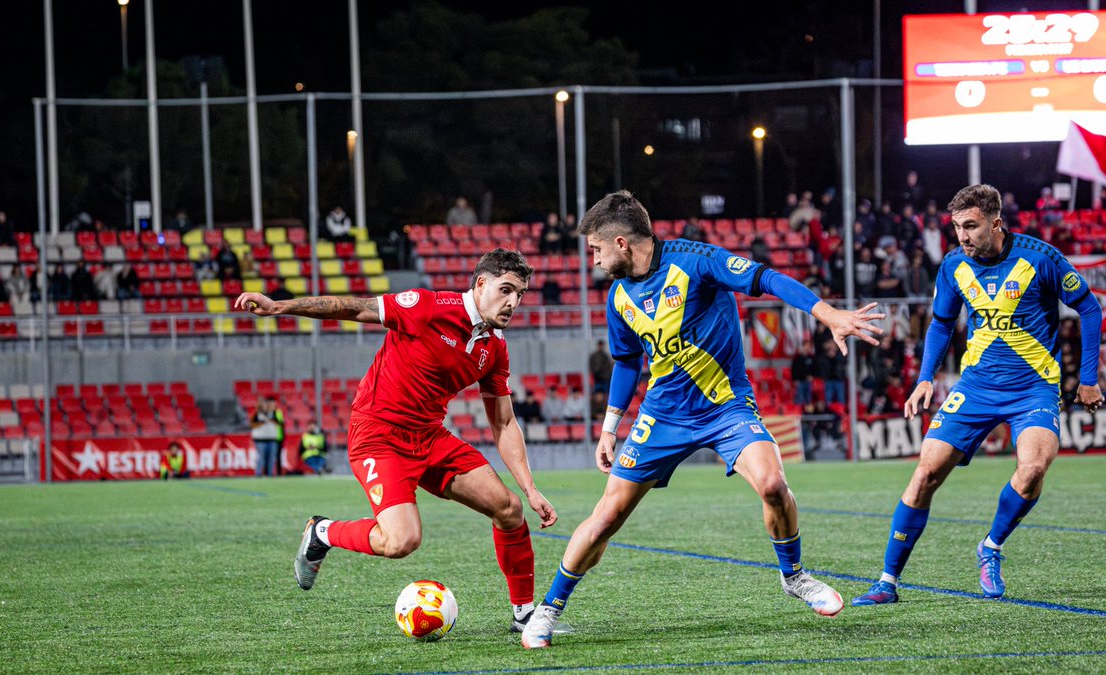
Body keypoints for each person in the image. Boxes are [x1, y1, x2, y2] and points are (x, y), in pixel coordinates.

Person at [521, 190, 885, 648]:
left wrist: (827, 313)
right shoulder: (618, 298)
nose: (591, 259)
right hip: (662, 416)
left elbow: (765, 278)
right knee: (607, 515)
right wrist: (610, 427)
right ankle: (548, 610)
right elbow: (628, 363)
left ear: (620, 243)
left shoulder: (696, 261)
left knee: (773, 484)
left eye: (595, 248)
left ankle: (794, 576)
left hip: (725, 406)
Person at [234, 248, 560, 634]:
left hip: (429, 436)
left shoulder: (494, 348)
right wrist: (279, 308)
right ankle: (322, 532)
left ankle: (524, 615)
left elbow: (504, 423)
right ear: (481, 284)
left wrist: (530, 487)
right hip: (378, 435)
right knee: (401, 541)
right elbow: (353, 308)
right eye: (506, 290)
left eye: (520, 294)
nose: (513, 302)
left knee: (509, 508)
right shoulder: (428, 306)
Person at [851, 184, 1103, 607]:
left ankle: (991, 546)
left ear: (996, 223)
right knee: (925, 473)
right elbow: (940, 324)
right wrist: (926, 377)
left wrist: (1090, 377)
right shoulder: (952, 266)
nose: (962, 236)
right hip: (976, 387)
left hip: (1033, 388)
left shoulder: (1040, 258)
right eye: (956, 227)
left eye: (971, 226)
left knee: (1035, 466)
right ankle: (886, 582)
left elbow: (1090, 308)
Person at [249, 396, 284, 477]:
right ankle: (258, 473)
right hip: (260, 440)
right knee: (261, 458)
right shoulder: (256, 414)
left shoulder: (274, 413)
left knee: (271, 458)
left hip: (272, 439)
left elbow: (280, 424)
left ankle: (270, 474)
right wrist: (263, 422)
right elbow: (252, 425)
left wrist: (270, 420)